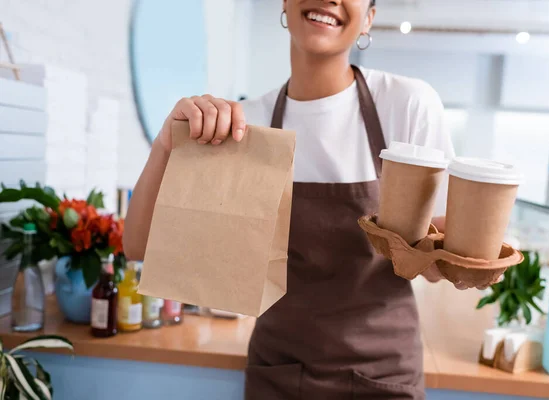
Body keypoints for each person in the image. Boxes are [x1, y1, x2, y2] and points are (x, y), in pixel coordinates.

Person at [124, 0, 490, 398]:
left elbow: (436, 255)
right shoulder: (246, 125)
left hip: (383, 377)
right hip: (280, 374)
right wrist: (166, 143)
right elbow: (139, 245)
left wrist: (465, 259)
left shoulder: (406, 105)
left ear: (368, 17)